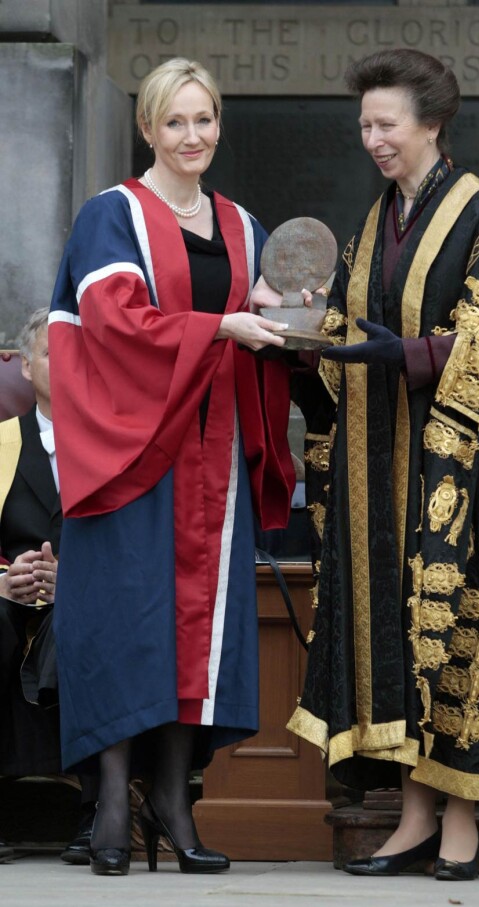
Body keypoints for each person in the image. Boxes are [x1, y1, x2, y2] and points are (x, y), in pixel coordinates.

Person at [286, 48, 479, 882]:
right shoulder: (375, 221)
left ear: (431, 123)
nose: (372, 139)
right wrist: (307, 346)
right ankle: (413, 810)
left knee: (455, 634)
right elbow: (348, 329)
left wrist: (411, 353)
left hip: (468, 472)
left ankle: (460, 816)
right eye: (366, 125)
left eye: (386, 124)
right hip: (385, 467)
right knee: (400, 639)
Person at [48, 58, 295, 877]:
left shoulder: (242, 224)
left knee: (198, 625)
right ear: (148, 129)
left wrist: (287, 319)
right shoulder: (110, 215)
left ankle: (174, 797)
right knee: (125, 622)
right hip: (129, 453)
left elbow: (258, 316)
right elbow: (114, 322)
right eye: (175, 121)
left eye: (205, 119)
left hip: (210, 455)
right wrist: (223, 329)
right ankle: (112, 798)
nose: (193, 136)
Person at [0, 308, 98, 865]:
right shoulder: (1, 443)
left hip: (89, 598)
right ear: (26, 367)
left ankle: (96, 811)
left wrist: (77, 580)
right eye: (52, 353)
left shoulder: (117, 441)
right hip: (10, 601)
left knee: (83, 622)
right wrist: (7, 580)